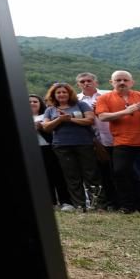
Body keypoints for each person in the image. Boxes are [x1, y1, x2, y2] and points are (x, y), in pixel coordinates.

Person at [94, 70, 140, 214]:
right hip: (123, 142)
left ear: (132, 82)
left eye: (125, 80)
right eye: (118, 80)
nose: (122, 82)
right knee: (120, 172)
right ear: (111, 82)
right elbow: (102, 117)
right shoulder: (105, 98)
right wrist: (126, 112)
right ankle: (128, 206)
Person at [40, 82, 101, 212]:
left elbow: (90, 120)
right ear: (54, 95)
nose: (62, 94)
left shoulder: (81, 104)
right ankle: (80, 205)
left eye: (64, 92)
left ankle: (97, 204)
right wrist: (59, 120)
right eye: (58, 92)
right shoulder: (50, 109)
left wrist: (70, 119)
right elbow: (46, 127)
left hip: (84, 143)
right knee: (72, 176)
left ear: (69, 93)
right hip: (62, 146)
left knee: (91, 174)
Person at [77, 71, 117, 209]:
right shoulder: (76, 100)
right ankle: (110, 202)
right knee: (101, 173)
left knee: (120, 171)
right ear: (78, 84)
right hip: (93, 141)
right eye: (82, 81)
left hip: (115, 136)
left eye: (89, 80)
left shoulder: (108, 94)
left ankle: (126, 201)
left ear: (96, 82)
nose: (86, 83)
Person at [30, 93, 70, 209]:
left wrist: (41, 128)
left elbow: (53, 131)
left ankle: (65, 201)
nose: (32, 103)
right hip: (31, 150)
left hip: (49, 148)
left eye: (35, 101)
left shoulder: (46, 115)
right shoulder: (20, 117)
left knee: (57, 175)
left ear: (40, 103)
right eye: (29, 102)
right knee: (42, 177)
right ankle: (50, 202)